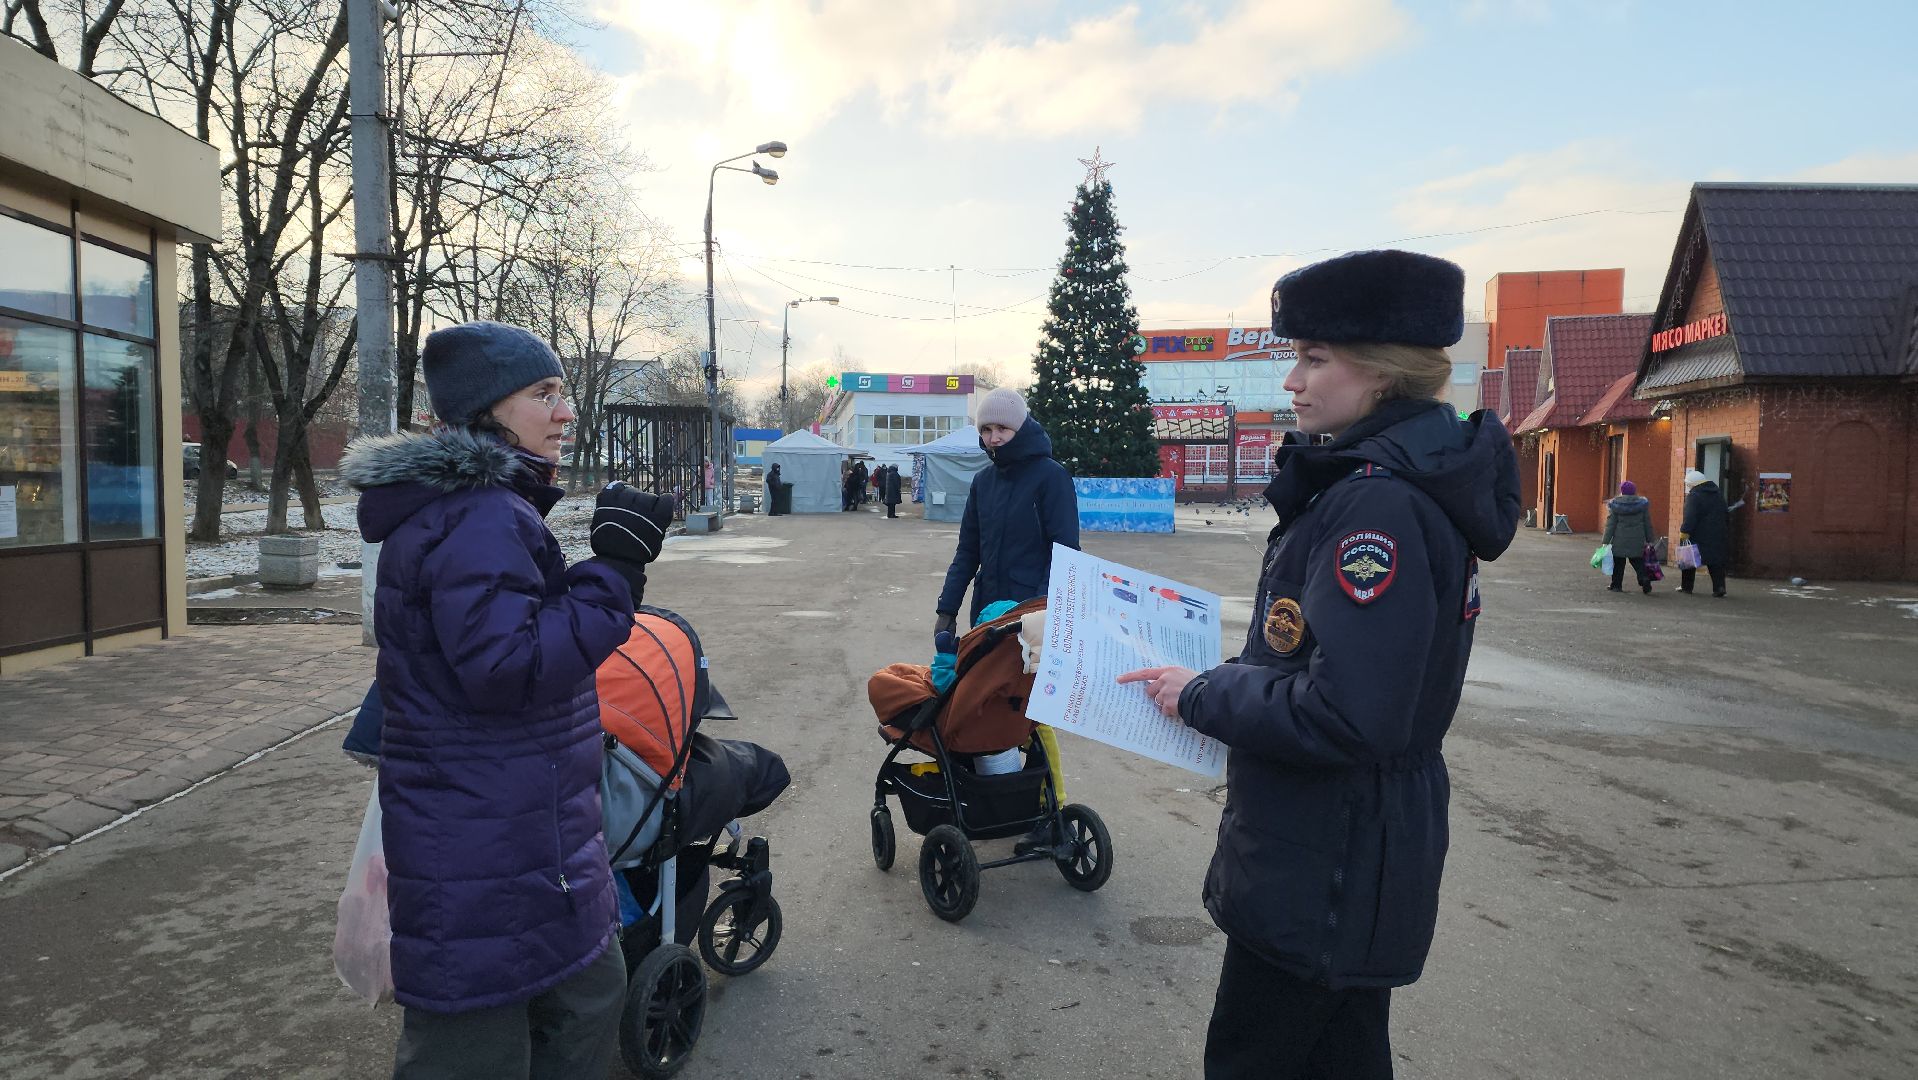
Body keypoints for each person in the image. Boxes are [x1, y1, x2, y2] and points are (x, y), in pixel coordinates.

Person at [1117, 250, 1521, 1079]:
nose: (1292, 380)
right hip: (1340, 852)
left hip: (1325, 861)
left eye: (1313, 357)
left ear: (1380, 373)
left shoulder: (1377, 502)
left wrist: (1203, 694)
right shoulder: (1374, 482)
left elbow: (1350, 712)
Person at [341, 320, 669, 1080]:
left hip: (521, 829)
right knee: (478, 1045)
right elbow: (508, 664)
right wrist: (614, 572)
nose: (565, 413)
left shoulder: (485, 507)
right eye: (543, 395)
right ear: (486, 412)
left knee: (587, 996)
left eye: (562, 393)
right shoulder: (476, 514)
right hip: (480, 844)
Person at [935, 388, 1079, 628]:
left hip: (1029, 612)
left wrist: (1039, 609)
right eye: (986, 430)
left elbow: (1065, 552)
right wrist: (947, 609)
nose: (994, 438)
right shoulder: (983, 481)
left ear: (1019, 429)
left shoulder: (1051, 476)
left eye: (1002, 428)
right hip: (986, 610)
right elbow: (967, 552)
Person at [1679, 468, 1730, 597]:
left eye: (1688, 484)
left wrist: (1685, 531)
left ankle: (1687, 587)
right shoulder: (1718, 493)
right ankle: (1719, 587)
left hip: (1698, 533)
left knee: (1689, 559)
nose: (1688, 486)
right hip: (1717, 532)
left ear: (1693, 484)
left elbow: (1690, 516)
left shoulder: (1694, 496)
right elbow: (1725, 512)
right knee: (1715, 561)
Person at [1603, 479, 1656, 594]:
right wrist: (1650, 539)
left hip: (1619, 540)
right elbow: (1647, 523)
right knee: (1638, 561)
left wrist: (1605, 541)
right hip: (1637, 539)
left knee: (1618, 563)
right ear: (1634, 491)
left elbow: (1610, 525)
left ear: (1622, 491)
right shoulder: (1642, 504)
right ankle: (1644, 578)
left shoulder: (1615, 505)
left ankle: (1616, 585)